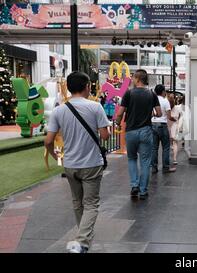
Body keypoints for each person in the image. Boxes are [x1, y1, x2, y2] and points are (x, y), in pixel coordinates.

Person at [45, 71, 111, 253]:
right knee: (91, 204)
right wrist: (107, 130)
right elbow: (105, 136)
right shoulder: (95, 107)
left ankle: (84, 237)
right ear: (87, 86)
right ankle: (82, 241)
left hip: (70, 165)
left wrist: (59, 159)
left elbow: (48, 141)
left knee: (77, 202)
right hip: (91, 164)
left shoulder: (59, 110)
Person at [115, 69, 162, 200]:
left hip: (130, 131)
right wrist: (149, 113)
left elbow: (120, 113)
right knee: (145, 161)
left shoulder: (129, 93)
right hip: (146, 130)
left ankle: (134, 185)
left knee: (132, 158)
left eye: (133, 78)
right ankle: (143, 191)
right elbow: (159, 113)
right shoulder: (152, 94)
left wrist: (118, 123)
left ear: (137, 79)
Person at [151, 84, 177, 173]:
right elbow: (169, 116)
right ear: (163, 92)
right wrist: (175, 119)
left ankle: (154, 168)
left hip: (153, 124)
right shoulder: (165, 101)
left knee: (154, 148)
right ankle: (166, 167)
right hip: (162, 125)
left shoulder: (152, 100)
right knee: (166, 147)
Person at [170, 96, 185, 164]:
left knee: (168, 144)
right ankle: (175, 159)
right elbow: (181, 116)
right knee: (175, 143)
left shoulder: (165, 107)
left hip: (166, 125)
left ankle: (167, 159)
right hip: (175, 126)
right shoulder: (177, 108)